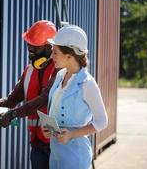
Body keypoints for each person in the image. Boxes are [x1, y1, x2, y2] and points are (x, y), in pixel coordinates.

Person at [0, 20, 59, 169]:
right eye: (28, 44)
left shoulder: (59, 70)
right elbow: (11, 100)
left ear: (48, 47)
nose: (30, 48)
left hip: (58, 143)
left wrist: (13, 115)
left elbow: (44, 99)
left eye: (35, 46)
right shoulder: (29, 71)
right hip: (37, 145)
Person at [44, 25, 108, 169]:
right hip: (56, 151)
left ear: (69, 56)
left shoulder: (87, 84)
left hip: (75, 154)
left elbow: (102, 121)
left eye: (55, 53)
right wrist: (50, 129)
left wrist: (72, 134)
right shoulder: (60, 75)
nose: (51, 57)